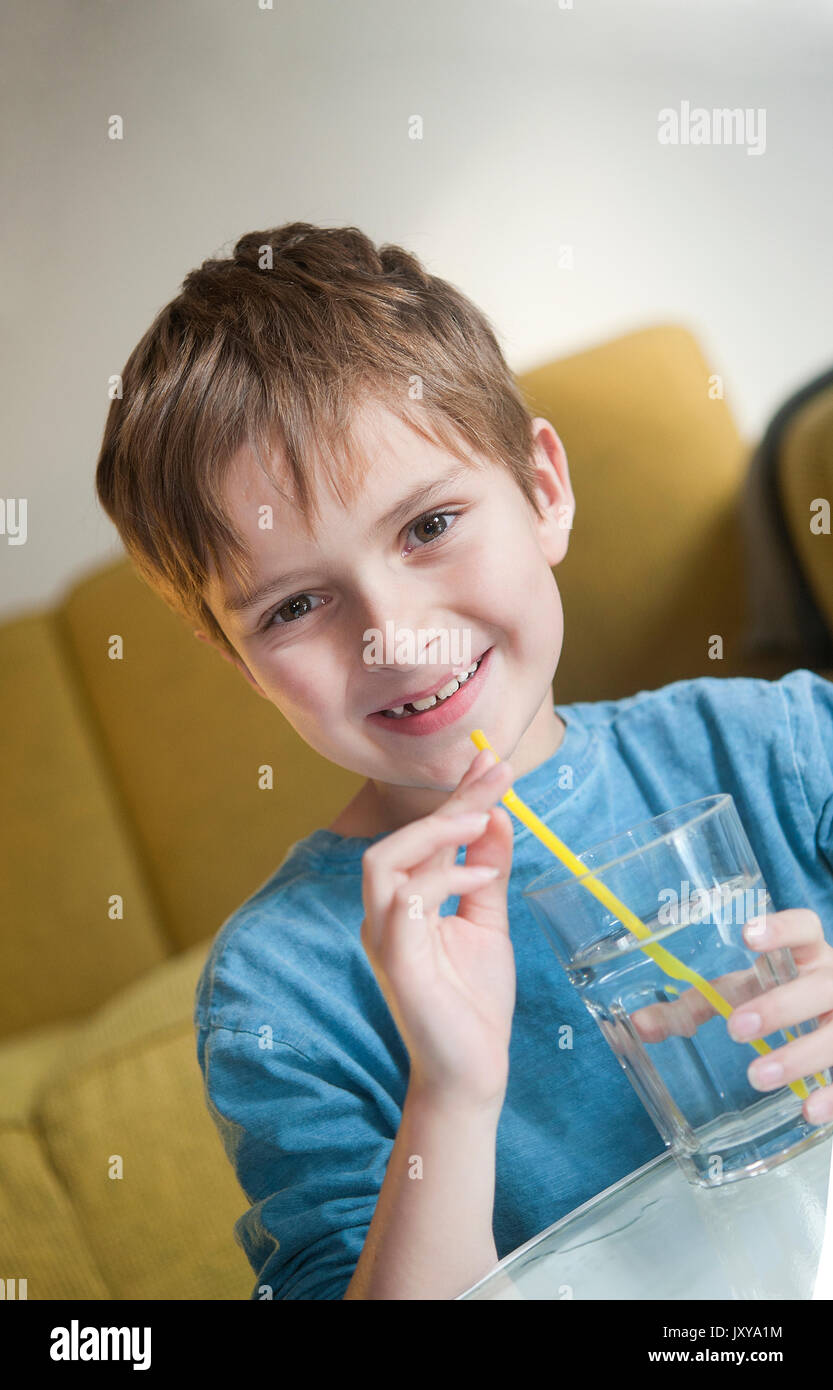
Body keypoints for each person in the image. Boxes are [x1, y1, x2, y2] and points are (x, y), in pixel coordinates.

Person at [95, 222, 833, 1300]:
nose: (393, 637)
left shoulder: (783, 746)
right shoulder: (283, 989)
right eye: (295, 605)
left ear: (542, 490)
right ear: (238, 661)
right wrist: (448, 1091)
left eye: (429, 524)